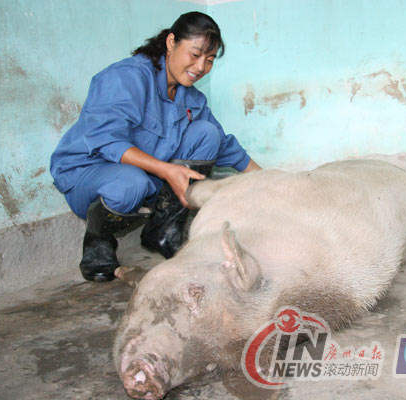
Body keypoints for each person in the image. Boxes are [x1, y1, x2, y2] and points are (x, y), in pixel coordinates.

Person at [49, 12, 261, 282]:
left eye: (209, 60)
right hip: (87, 171)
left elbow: (225, 144)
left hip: (144, 175)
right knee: (132, 184)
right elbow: (107, 140)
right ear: (171, 42)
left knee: (207, 134)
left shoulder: (190, 96)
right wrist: (166, 170)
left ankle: (163, 230)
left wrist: (269, 182)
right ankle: (98, 242)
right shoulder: (126, 77)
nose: (200, 67)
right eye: (195, 54)